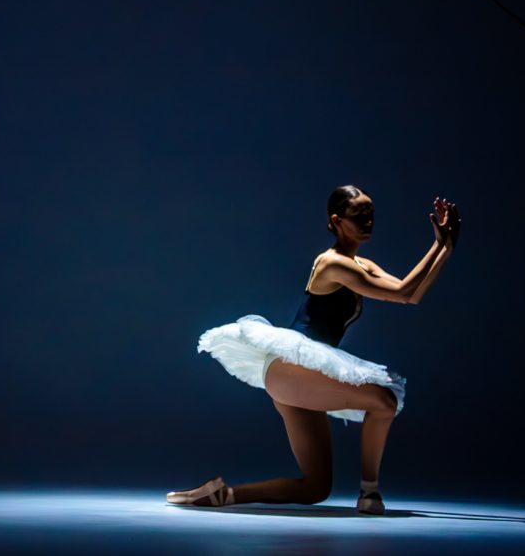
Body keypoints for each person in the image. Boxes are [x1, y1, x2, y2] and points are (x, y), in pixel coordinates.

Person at [166, 185, 461, 515]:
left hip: (303, 378)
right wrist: (439, 244)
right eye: (358, 215)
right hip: (292, 367)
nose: (368, 220)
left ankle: (220, 495)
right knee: (384, 401)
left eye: (371, 213)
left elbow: (413, 294)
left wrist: (445, 248)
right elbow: (406, 292)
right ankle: (369, 493)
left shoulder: (363, 264)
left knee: (315, 488)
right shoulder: (332, 264)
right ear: (337, 221)